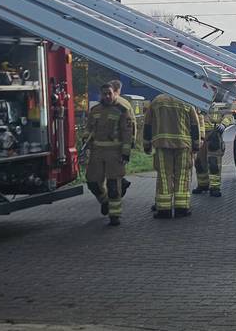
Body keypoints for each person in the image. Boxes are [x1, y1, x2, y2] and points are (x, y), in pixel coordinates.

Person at [84, 81, 135, 226]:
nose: (107, 96)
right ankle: (104, 201)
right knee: (92, 182)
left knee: (114, 185)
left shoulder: (122, 110)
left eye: (109, 93)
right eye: (104, 94)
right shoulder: (95, 110)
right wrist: (85, 139)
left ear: (115, 93)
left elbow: (127, 133)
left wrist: (125, 153)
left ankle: (115, 215)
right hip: (97, 152)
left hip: (114, 152)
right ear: (101, 94)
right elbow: (88, 128)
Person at [145, 93, 201, 218]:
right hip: (184, 145)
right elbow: (195, 125)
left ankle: (164, 210)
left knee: (165, 177)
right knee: (182, 177)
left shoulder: (156, 101)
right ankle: (181, 208)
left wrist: (146, 145)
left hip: (162, 145)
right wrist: (196, 145)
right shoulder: (187, 100)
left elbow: (147, 125)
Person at [193, 103, 234, 197]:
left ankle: (215, 187)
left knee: (214, 162)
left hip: (214, 133)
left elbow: (228, 113)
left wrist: (224, 124)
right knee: (199, 161)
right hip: (200, 134)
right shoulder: (200, 97)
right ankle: (202, 185)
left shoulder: (222, 99)